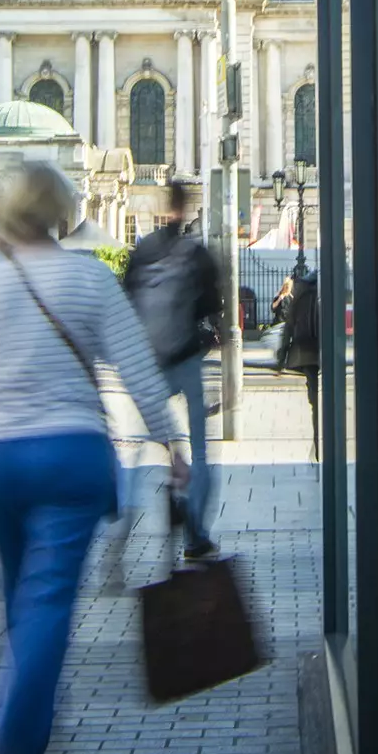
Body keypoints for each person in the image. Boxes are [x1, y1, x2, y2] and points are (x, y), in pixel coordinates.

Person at [0, 162, 187, 754]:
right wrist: (171, 441)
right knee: (46, 605)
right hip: (70, 455)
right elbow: (137, 368)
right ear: (61, 209)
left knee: (18, 596)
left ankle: (23, 716)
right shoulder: (86, 274)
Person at [122, 179, 223, 559]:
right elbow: (213, 307)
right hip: (186, 360)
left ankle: (123, 525)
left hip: (150, 364)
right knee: (200, 447)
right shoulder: (196, 253)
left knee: (136, 448)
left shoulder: (143, 249)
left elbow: (127, 302)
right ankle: (196, 532)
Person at [272, 267, 320, 460]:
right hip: (325, 350)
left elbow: (288, 329)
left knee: (315, 401)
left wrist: (280, 361)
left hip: (306, 352)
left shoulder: (299, 296)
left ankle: (317, 443)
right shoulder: (326, 292)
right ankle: (321, 443)